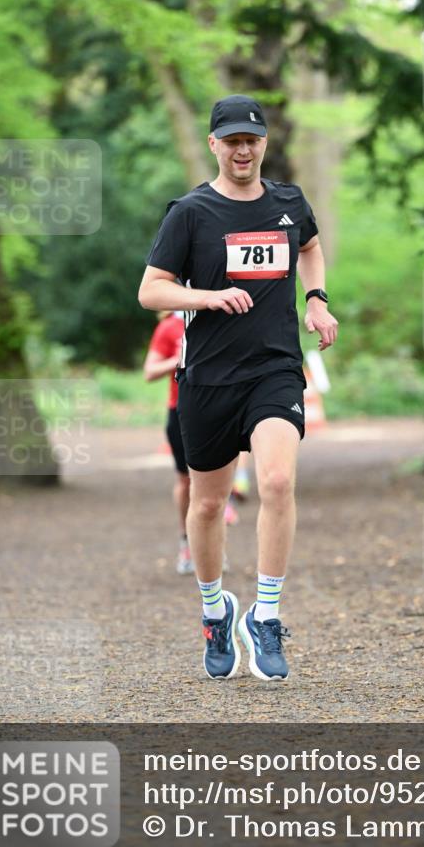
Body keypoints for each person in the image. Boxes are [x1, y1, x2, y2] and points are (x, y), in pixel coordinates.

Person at [139, 94, 338, 681]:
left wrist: (317, 302)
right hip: (208, 377)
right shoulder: (191, 213)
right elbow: (152, 290)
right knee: (207, 504)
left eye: (251, 139)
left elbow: (309, 246)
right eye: (231, 140)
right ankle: (215, 611)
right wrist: (204, 296)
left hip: (275, 369)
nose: (242, 149)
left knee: (277, 480)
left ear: (264, 144)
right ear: (213, 145)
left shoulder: (288, 202)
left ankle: (266, 615)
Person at [143, 311, 193, 574]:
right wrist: (177, 360)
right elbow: (149, 371)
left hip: (220, 408)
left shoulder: (222, 313)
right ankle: (187, 542)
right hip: (181, 411)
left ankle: (214, 547)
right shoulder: (169, 326)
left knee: (218, 484)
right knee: (186, 479)